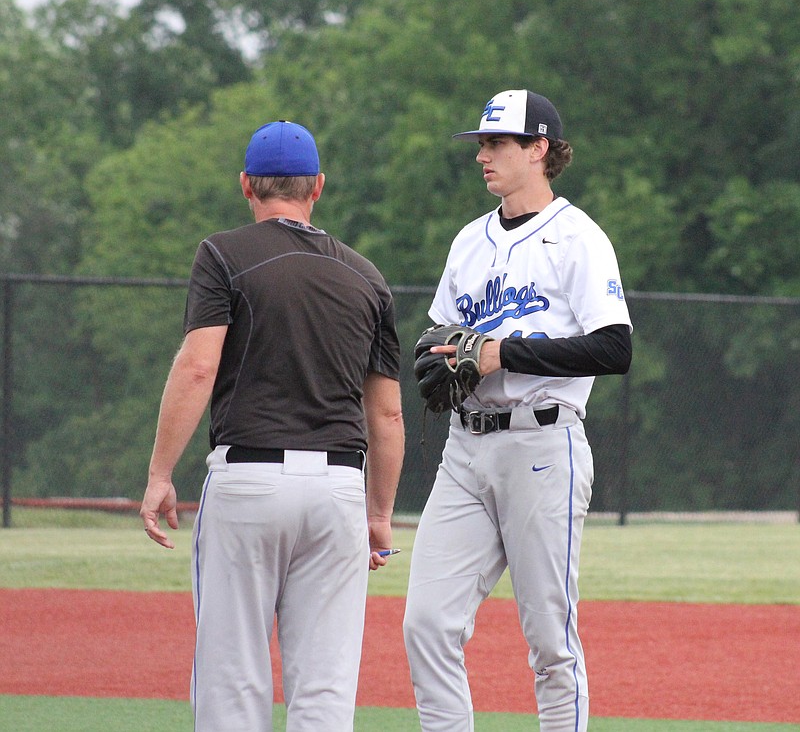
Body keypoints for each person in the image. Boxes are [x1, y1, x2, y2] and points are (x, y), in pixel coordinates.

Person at [140, 119, 405, 732]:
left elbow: (199, 366)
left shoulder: (223, 253)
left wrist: (159, 473)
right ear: (317, 185)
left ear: (246, 186)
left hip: (249, 481)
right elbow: (387, 412)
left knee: (232, 681)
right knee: (325, 689)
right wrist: (378, 513)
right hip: (341, 487)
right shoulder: (368, 277)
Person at [403, 90, 632, 732]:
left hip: (542, 445)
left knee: (551, 645)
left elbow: (615, 346)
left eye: (498, 143)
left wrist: (507, 353)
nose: (484, 155)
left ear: (539, 149)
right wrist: (443, 356)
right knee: (427, 622)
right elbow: (438, 335)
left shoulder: (576, 237)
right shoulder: (469, 241)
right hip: (464, 448)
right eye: (481, 144)